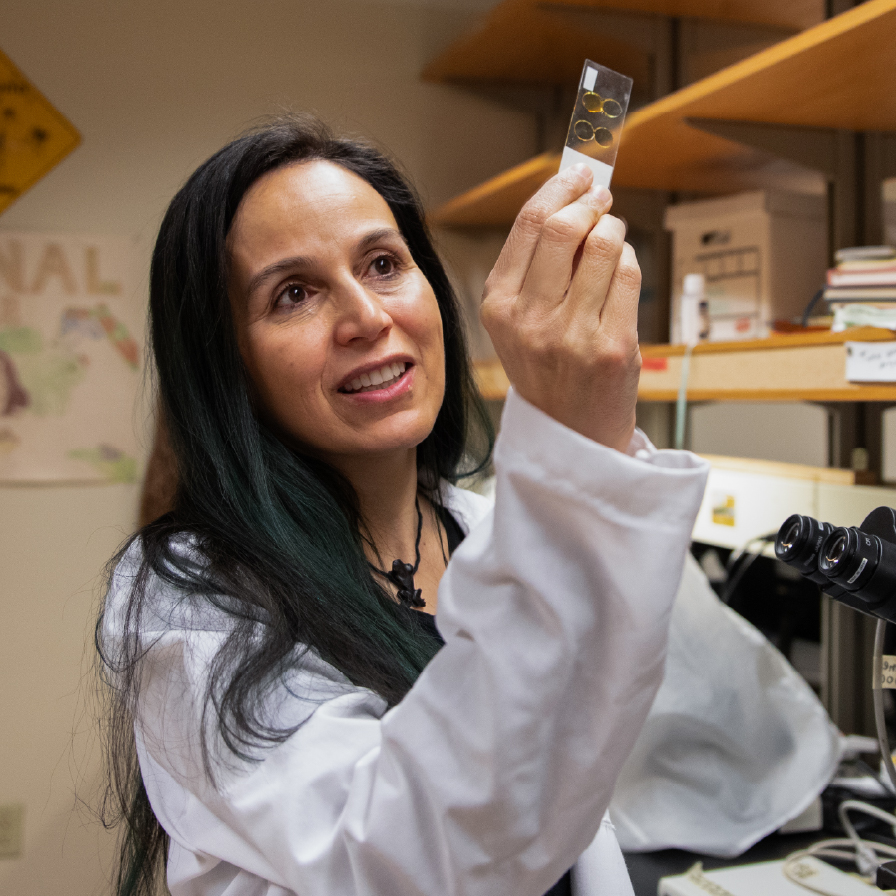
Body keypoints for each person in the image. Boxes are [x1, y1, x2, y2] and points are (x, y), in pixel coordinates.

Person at [98, 115, 708, 896]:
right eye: (293, 294)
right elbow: (411, 858)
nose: (367, 317)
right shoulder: (192, 598)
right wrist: (572, 441)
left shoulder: (488, 533)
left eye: (384, 264)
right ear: (229, 365)